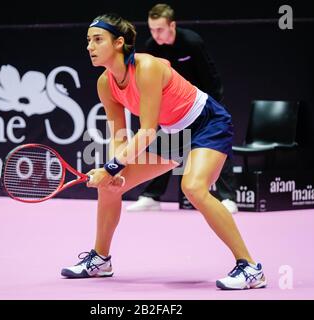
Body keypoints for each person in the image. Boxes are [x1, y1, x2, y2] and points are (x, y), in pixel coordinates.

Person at [60, 13, 266, 290]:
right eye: (88, 41)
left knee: (193, 188)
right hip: (173, 134)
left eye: (98, 40)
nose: (90, 46)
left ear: (119, 43)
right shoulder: (104, 84)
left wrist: (110, 167)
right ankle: (100, 259)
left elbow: (145, 131)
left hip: (207, 123)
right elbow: (119, 134)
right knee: (109, 188)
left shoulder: (146, 67)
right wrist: (115, 170)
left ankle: (250, 268)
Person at [126, 3, 238, 214]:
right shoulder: (152, 46)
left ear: (172, 25)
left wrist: (211, 111)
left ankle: (228, 198)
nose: (155, 34)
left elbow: (210, 79)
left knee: (217, 146)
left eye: (160, 29)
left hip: (204, 107)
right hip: (174, 111)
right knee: (163, 148)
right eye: (151, 29)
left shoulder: (192, 43)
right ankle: (151, 197)